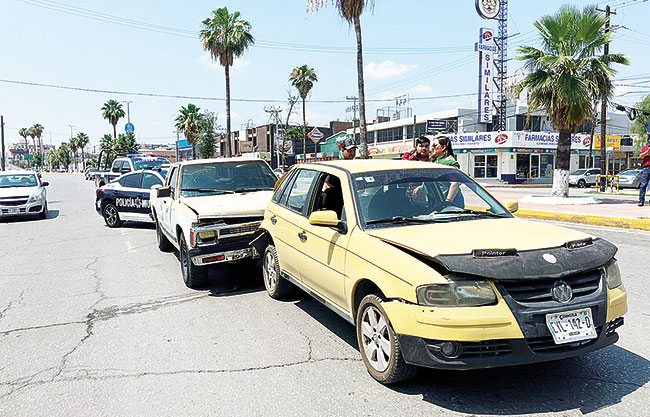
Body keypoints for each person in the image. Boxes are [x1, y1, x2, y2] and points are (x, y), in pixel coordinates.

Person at [430, 135, 463, 206]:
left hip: (452, 200)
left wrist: (448, 201)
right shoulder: (436, 160)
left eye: (435, 145)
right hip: (439, 198)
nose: (433, 148)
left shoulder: (449, 161)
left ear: (444, 147)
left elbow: (455, 183)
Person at [638, 141, 650, 207]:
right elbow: (640, 156)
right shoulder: (645, 147)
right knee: (643, 185)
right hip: (647, 168)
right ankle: (641, 201)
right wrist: (647, 151)